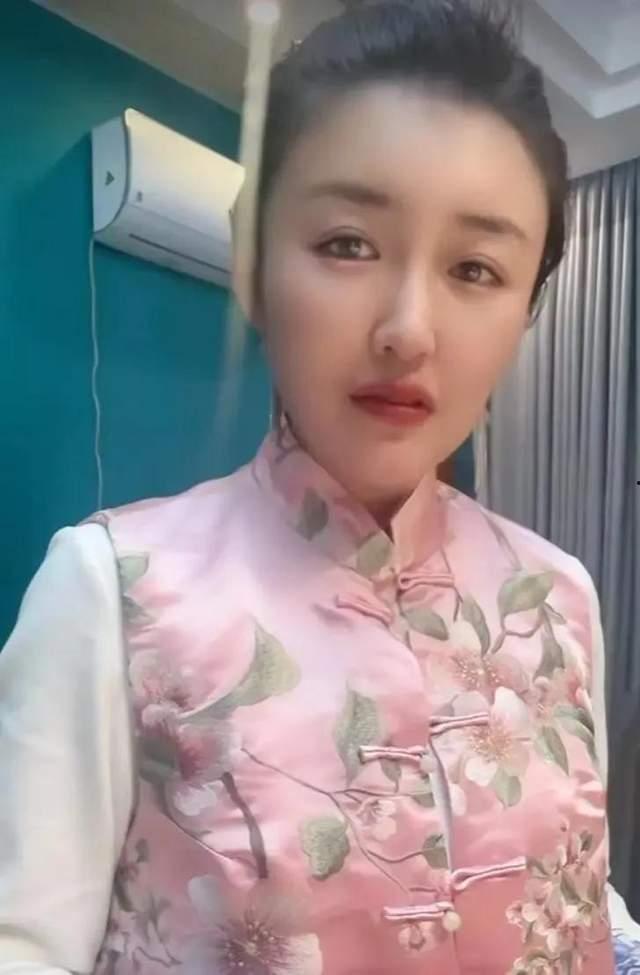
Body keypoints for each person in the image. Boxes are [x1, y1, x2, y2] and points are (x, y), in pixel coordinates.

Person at [1, 1, 638, 972]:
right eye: (348, 243)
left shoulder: (556, 595)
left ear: (526, 308)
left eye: (476, 268)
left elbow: (576, 888)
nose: (408, 328)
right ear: (252, 263)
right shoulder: (111, 593)